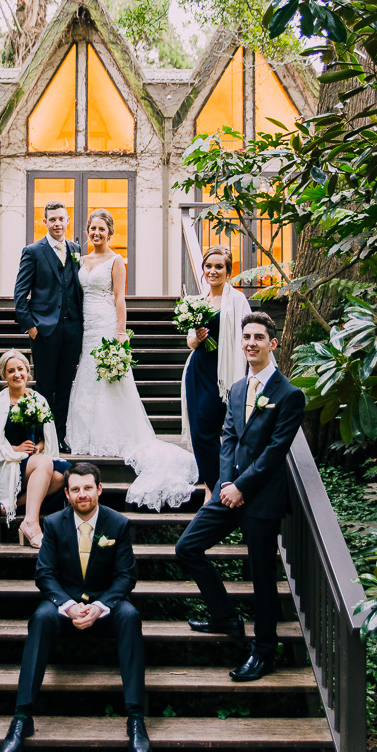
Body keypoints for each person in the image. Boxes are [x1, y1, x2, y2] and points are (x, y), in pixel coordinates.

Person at [175, 312, 305, 682]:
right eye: (246, 337)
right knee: (187, 548)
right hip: (227, 491)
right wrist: (225, 484)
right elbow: (228, 440)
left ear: (272, 344)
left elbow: (274, 453)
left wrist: (242, 488)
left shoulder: (289, 395)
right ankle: (225, 617)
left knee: (262, 577)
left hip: (261, 499)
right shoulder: (234, 389)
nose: (250, 343)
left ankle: (264, 651)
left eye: (258, 338)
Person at [0, 462, 150, 752]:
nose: (83, 495)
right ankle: (21, 718)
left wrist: (99, 606)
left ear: (100, 490)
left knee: (131, 616)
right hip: (64, 609)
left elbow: (126, 577)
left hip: (105, 609)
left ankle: (136, 718)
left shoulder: (118, 524)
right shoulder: (54, 523)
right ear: (67, 493)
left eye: (88, 488)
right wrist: (67, 606)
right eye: (76, 489)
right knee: (40, 617)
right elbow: (44, 574)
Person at [66, 209, 197, 511]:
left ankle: (113, 434)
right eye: (93, 228)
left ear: (110, 232)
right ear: (88, 231)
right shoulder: (81, 261)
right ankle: (83, 434)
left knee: (110, 381)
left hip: (106, 323)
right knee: (87, 376)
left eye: (102, 229)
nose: (96, 233)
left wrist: (121, 333)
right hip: (83, 327)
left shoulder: (116, 260)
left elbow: (119, 298)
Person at [0, 350, 70, 547]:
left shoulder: (39, 400)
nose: (17, 374)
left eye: (21, 369)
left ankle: (10, 505)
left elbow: (46, 437)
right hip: (7, 460)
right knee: (45, 464)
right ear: (4, 375)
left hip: (32, 459)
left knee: (62, 476)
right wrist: (15, 448)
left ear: (28, 371)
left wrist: (38, 446)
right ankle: (30, 523)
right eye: (11, 371)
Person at [181, 245, 251, 500]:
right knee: (200, 434)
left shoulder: (237, 300)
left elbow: (247, 338)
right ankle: (213, 490)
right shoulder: (199, 300)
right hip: (198, 370)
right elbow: (190, 342)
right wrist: (198, 337)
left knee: (209, 432)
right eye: (208, 266)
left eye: (219, 266)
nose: (213, 271)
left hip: (222, 373)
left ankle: (218, 488)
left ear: (228, 272)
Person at [13, 201, 83, 454]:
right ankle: (43, 437)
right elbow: (20, 294)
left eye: (61, 219)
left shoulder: (75, 249)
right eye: (52, 219)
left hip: (73, 329)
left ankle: (61, 436)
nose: (57, 223)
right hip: (44, 330)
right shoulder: (32, 251)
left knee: (65, 386)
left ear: (67, 221)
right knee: (44, 386)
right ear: (44, 222)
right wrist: (31, 327)